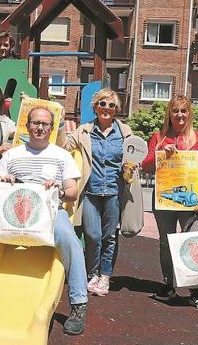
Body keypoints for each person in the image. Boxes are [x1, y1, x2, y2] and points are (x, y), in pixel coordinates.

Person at [0, 107, 88, 335]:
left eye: (45, 124)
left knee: (71, 241)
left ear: (51, 127)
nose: (40, 127)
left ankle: (79, 303)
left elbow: (73, 191)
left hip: (49, 212)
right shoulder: (12, 154)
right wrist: (3, 181)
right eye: (35, 123)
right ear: (27, 126)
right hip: (13, 212)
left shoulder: (61, 156)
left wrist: (58, 188)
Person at [57, 88, 142, 296]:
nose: (107, 108)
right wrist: (60, 124)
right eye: (102, 104)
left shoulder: (125, 133)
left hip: (115, 192)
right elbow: (63, 145)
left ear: (116, 110)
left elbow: (135, 158)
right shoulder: (84, 131)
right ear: (95, 107)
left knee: (109, 236)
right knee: (92, 235)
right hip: (91, 192)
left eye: (111, 105)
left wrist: (132, 167)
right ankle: (91, 273)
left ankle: (105, 276)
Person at [141, 95, 198, 310]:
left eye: (183, 111)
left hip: (192, 202)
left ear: (189, 113)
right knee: (166, 242)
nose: (180, 115)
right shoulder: (159, 138)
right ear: (169, 114)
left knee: (194, 242)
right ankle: (168, 285)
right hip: (164, 200)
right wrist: (161, 154)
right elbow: (146, 166)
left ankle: (196, 291)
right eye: (175, 111)